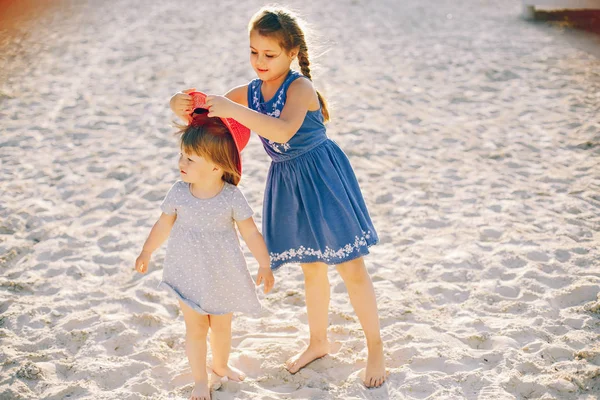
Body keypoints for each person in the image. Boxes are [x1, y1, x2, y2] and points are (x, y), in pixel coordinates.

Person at [169, 6, 386, 388]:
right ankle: (318, 341)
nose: (259, 62)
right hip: (287, 181)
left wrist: (235, 108)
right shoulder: (252, 91)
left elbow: (284, 131)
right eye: (253, 52)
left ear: (291, 53)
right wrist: (180, 102)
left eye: (269, 55)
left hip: (322, 177)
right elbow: (203, 103)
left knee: (351, 266)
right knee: (311, 267)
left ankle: (376, 347)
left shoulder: (300, 88)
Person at [135, 95, 275, 400]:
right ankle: (201, 380)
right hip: (188, 272)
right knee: (196, 328)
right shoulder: (179, 193)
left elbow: (251, 233)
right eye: (182, 155)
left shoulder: (231, 197)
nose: (181, 163)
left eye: (190, 159)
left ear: (216, 167)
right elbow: (163, 224)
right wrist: (147, 251)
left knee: (222, 328)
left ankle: (221, 366)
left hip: (223, 275)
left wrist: (264, 264)